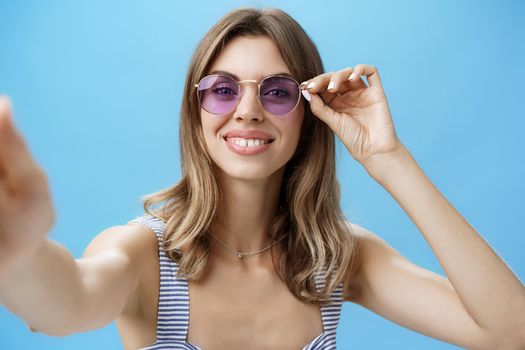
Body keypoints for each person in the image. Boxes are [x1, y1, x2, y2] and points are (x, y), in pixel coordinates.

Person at [0, 7, 524, 350]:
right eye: (223, 89)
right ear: (196, 111)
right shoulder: (143, 254)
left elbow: (511, 331)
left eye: (276, 91)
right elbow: (64, 304)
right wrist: (19, 249)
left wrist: (388, 158)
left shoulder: (339, 258)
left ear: (308, 111)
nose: (248, 111)